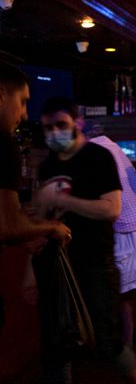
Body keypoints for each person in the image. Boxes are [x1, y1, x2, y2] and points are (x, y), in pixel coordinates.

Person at [32, 96, 136, 384]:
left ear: (77, 122)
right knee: (57, 349)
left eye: (61, 125)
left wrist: (63, 199)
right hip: (57, 266)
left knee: (109, 345)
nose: (54, 133)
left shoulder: (97, 157)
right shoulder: (48, 166)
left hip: (96, 263)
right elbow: (44, 221)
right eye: (48, 128)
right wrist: (28, 274)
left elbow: (111, 208)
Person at [0, 61, 71, 333]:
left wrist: (24, 234)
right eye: (22, 102)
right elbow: (7, 226)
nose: (24, 114)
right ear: (2, 95)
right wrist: (52, 228)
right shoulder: (3, 143)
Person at [89, 132, 136, 361]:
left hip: (128, 223)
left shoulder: (93, 151)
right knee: (131, 288)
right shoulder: (111, 146)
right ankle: (128, 345)